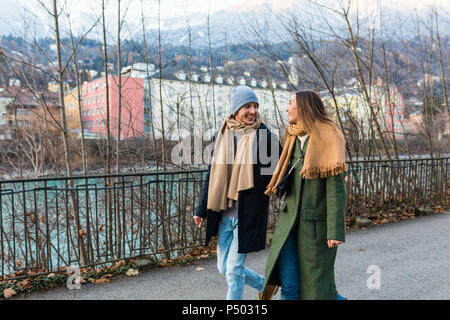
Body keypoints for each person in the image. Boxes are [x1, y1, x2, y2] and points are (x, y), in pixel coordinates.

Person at [193, 85, 279, 300]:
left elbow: (280, 173)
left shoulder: (265, 137)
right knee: (224, 268)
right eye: (246, 106)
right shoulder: (224, 134)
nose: (252, 111)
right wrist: (201, 209)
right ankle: (264, 284)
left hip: (248, 215)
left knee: (233, 270)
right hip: (224, 214)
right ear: (235, 110)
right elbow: (212, 175)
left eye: (255, 106)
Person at [261, 90, 347, 300]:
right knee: (290, 286)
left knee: (316, 289)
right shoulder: (293, 136)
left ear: (303, 107)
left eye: (291, 103)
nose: (287, 108)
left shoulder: (328, 137)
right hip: (288, 223)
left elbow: (336, 189)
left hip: (315, 227)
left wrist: (335, 230)